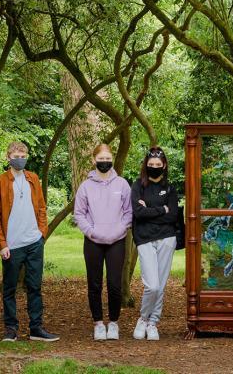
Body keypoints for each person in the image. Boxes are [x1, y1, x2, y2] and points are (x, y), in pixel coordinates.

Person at [0, 141, 59, 342]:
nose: (20, 158)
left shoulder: (33, 178)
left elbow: (41, 208)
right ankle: (11, 329)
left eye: (23, 154)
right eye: (16, 154)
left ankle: (36, 328)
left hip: (34, 242)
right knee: (9, 288)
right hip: (12, 245)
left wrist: (41, 233)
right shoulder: (0, 182)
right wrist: (2, 244)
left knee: (35, 286)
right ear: (8, 157)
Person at [73, 143, 132, 341]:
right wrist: (91, 231)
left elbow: (129, 212)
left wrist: (120, 230)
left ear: (112, 160)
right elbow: (79, 214)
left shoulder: (122, 184)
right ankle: (98, 323)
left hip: (117, 240)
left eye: (108, 159)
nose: (104, 162)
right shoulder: (85, 186)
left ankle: (113, 322)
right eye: (101, 159)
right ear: (94, 160)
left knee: (115, 284)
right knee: (94, 284)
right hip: (93, 241)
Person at [131, 147, 179, 341]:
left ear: (164, 166)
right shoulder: (137, 186)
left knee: (161, 284)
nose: (154, 168)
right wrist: (162, 210)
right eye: (151, 165)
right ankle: (143, 318)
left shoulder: (170, 188)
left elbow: (173, 216)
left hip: (167, 239)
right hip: (144, 239)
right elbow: (138, 213)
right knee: (152, 285)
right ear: (146, 165)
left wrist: (149, 210)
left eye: (158, 165)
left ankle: (153, 322)